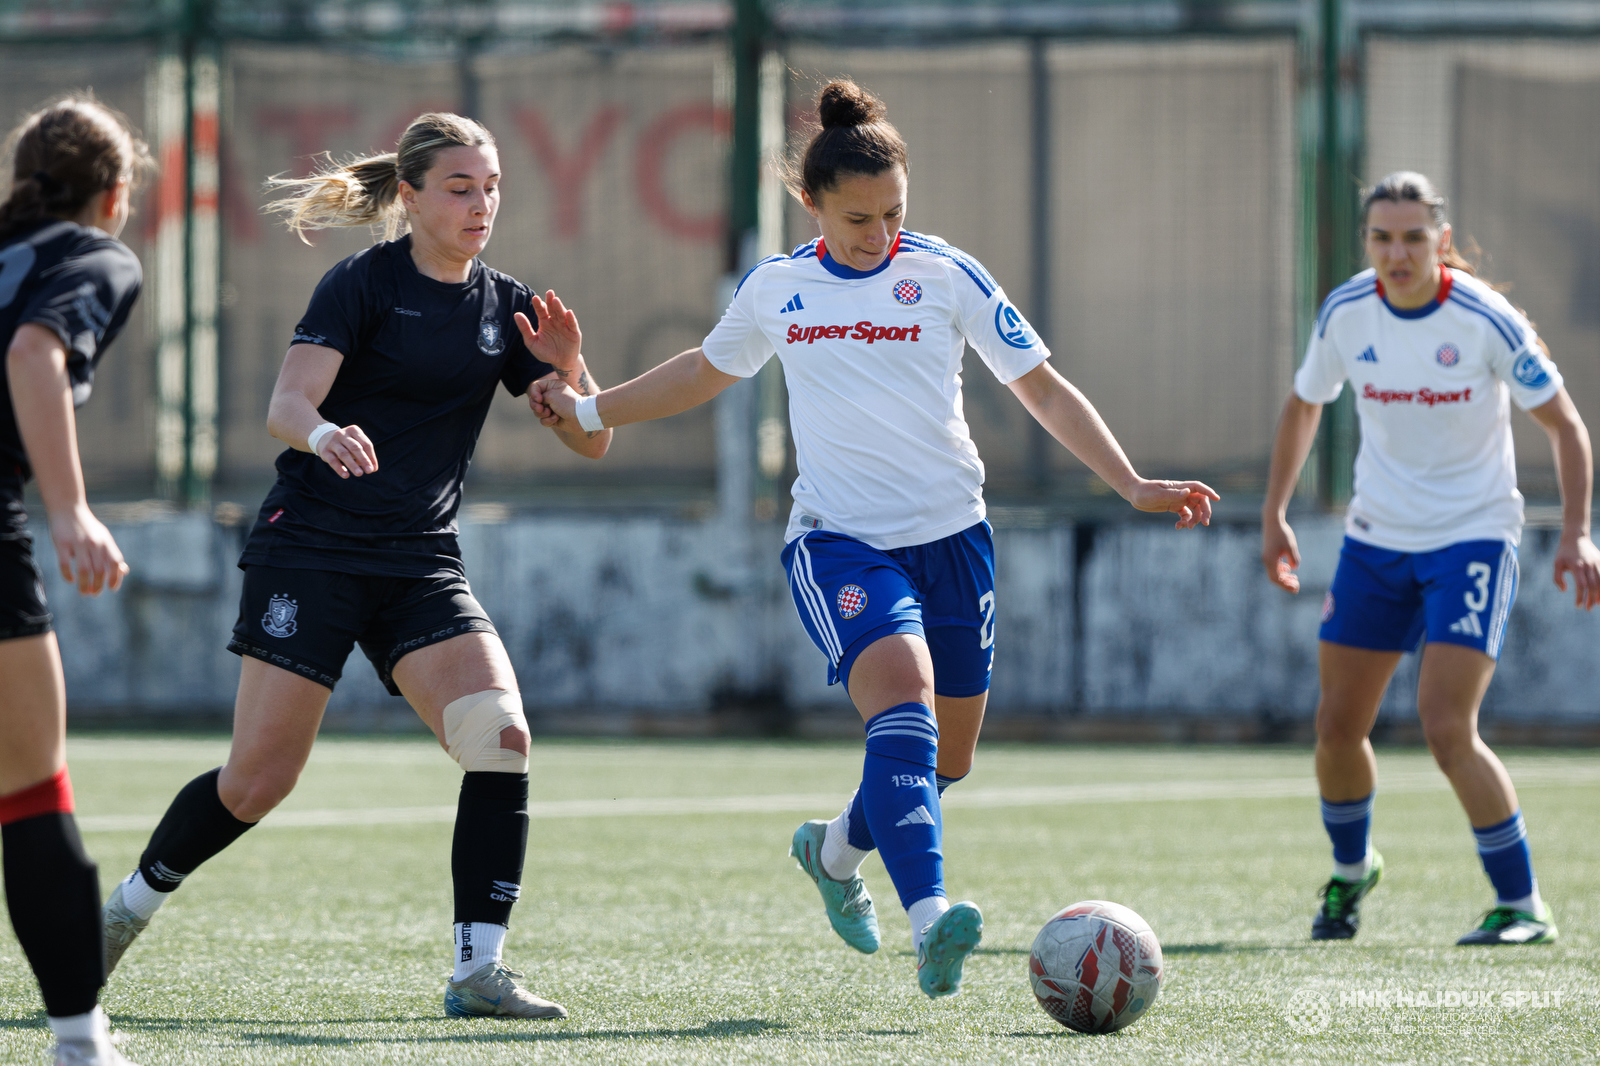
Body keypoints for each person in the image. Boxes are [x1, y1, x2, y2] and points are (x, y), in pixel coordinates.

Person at [529, 80, 1217, 998]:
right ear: (811, 204)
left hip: (955, 539)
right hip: (840, 541)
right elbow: (701, 370)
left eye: (894, 212)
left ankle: (836, 854)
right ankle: (933, 920)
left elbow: (1042, 388)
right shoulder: (778, 288)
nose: (880, 233)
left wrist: (1131, 480)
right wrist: (586, 405)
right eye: (858, 218)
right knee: (904, 699)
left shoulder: (947, 275)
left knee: (948, 757)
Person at [101, 112, 609, 1019]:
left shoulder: (508, 304)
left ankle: (478, 973)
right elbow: (287, 403)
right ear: (409, 198)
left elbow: (588, 440)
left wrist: (571, 366)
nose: (481, 203)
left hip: (420, 563)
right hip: (314, 548)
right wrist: (327, 431)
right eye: (460, 188)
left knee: (501, 739)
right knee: (258, 781)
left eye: (491, 187)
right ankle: (120, 915)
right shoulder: (362, 284)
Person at [1261, 170, 1600, 945]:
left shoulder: (1487, 318)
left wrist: (1578, 532)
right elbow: (1305, 403)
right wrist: (1275, 514)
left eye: (1414, 237)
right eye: (1382, 237)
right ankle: (1351, 875)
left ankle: (1522, 906)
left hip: (1473, 539)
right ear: (1367, 243)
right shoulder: (1347, 311)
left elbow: (1567, 427)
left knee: (1447, 725)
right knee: (1338, 726)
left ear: (1442, 242)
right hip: (1376, 540)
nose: (1397, 252)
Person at [0, 95, 150, 1066]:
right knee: (30, 788)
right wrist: (70, 508)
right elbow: (32, 352)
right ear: (116, 193)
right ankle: (78, 1042)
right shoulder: (94, 255)